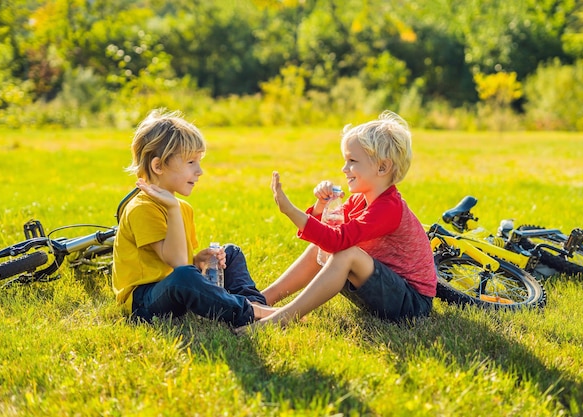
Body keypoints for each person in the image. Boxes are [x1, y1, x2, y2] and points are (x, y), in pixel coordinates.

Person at [236, 111, 437, 333]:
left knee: (346, 254)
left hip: (413, 305)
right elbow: (326, 235)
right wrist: (321, 206)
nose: (344, 169)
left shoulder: (389, 208)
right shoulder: (361, 200)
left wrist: (290, 210)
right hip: (385, 291)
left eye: (352, 161)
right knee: (326, 247)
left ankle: (283, 318)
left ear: (382, 167)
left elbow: (337, 242)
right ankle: (260, 300)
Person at [112, 109, 273, 327]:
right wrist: (172, 208)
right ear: (158, 166)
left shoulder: (181, 208)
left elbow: (185, 262)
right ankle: (250, 312)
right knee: (184, 278)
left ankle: (256, 306)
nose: (200, 171)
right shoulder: (141, 208)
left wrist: (200, 261)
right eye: (191, 162)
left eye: (199, 161)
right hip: (144, 302)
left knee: (231, 253)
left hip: (175, 284)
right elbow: (178, 266)